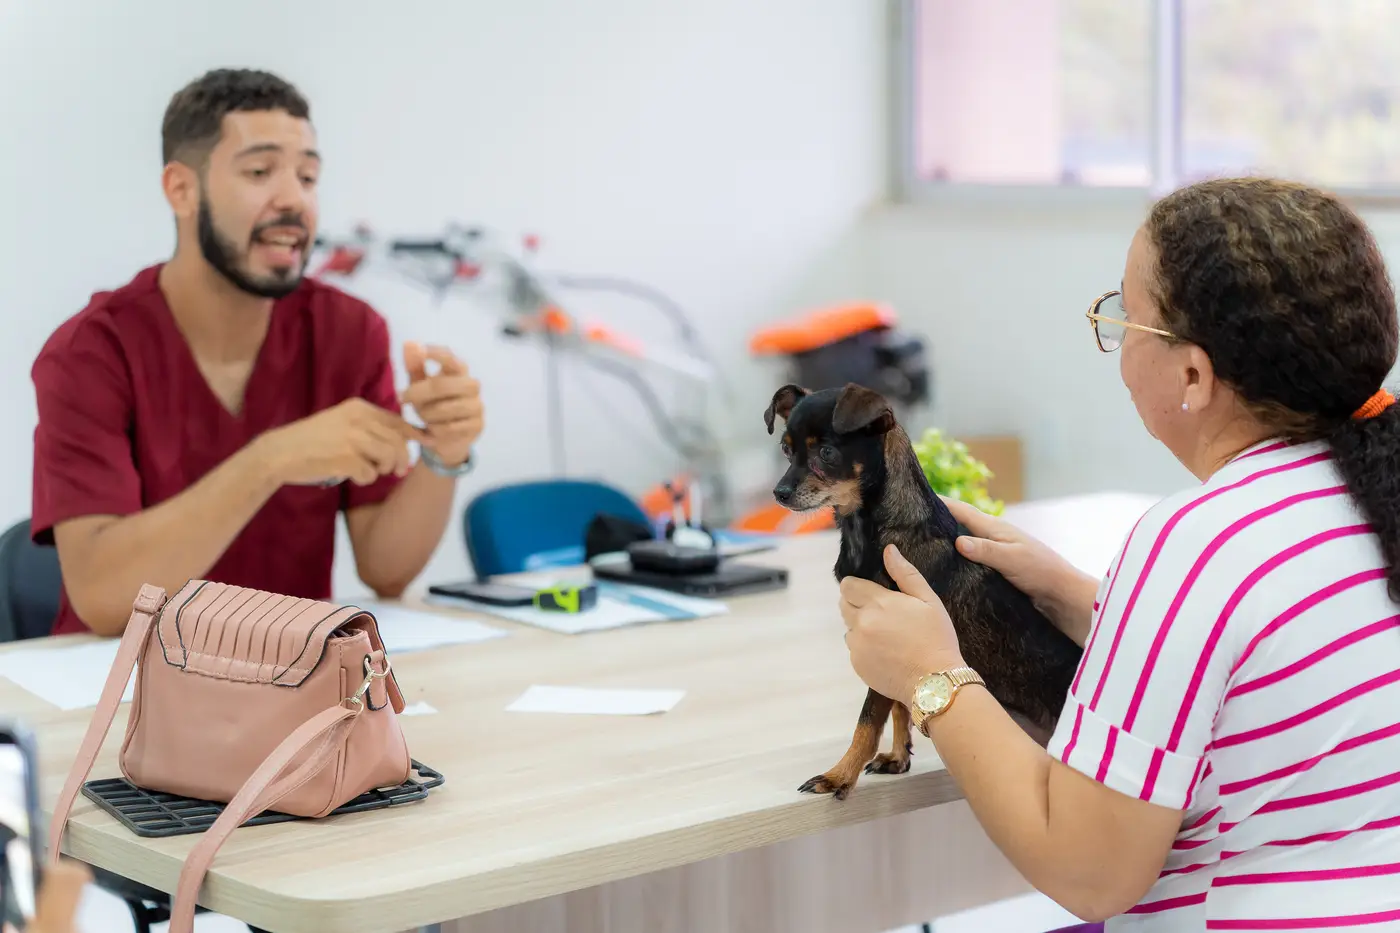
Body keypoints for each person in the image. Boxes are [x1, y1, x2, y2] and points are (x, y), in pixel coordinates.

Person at [838, 177, 1400, 930]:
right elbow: (1274, 666)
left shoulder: (1200, 541)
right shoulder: (1362, 495)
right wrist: (1085, 600)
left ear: (1193, 374)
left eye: (1126, 317)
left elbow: (1090, 871)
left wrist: (930, 675)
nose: (1118, 341)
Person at [30, 68, 485, 637]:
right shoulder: (91, 352)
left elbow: (385, 569)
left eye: (308, 176)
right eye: (260, 172)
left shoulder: (348, 332)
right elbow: (104, 599)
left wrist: (444, 452)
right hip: (124, 676)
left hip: (295, 673)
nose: (294, 199)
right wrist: (270, 461)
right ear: (181, 190)